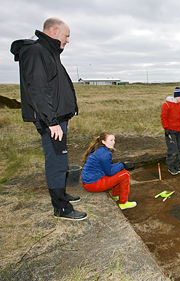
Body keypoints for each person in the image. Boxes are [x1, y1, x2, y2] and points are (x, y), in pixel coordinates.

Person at [10, 17, 86, 220]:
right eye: (66, 36)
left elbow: (55, 88)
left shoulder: (49, 52)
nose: (68, 41)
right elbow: (38, 89)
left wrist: (65, 115)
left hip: (57, 119)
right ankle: (61, 208)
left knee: (60, 160)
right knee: (56, 162)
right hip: (50, 121)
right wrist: (52, 121)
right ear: (54, 30)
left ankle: (61, 193)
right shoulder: (36, 52)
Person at [81, 132, 137, 210]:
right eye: (111, 140)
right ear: (103, 141)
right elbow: (109, 172)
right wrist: (123, 165)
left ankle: (115, 195)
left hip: (88, 182)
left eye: (114, 140)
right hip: (93, 184)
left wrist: (121, 165)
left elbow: (107, 168)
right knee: (125, 174)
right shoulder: (105, 154)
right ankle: (123, 203)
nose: (113, 142)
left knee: (121, 171)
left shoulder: (99, 149)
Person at [161, 87, 180, 175]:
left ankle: (177, 165)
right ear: (176, 96)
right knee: (173, 149)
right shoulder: (167, 105)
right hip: (171, 131)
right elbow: (163, 117)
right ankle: (171, 167)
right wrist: (166, 128)